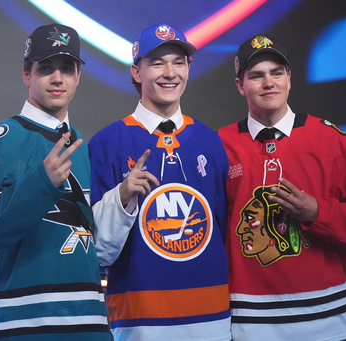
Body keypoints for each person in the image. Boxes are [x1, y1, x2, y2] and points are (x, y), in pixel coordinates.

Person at [218, 35, 346, 341]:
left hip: (336, 321)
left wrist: (317, 212)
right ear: (241, 85)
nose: (269, 82)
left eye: (277, 72)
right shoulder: (218, 146)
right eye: (256, 75)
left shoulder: (335, 140)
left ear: (289, 79)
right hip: (252, 324)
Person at [0, 24, 110, 340]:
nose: (58, 78)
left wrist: (121, 201)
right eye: (46, 68)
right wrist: (41, 182)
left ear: (78, 77)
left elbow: (89, 242)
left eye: (67, 69)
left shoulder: (82, 146)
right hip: (21, 325)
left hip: (88, 323)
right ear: (27, 73)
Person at [89, 23, 231, 340]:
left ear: (188, 69)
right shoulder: (107, 143)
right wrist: (122, 196)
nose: (170, 73)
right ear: (137, 73)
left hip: (210, 320)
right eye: (157, 63)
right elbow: (97, 251)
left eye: (178, 62)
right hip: (139, 323)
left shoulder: (211, 141)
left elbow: (219, 232)